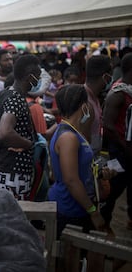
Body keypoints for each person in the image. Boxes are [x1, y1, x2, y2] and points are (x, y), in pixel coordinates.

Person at [48, 84, 109, 237]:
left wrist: (100, 172)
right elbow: (71, 180)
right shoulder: (68, 137)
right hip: (69, 208)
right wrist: (93, 212)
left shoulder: (75, 132)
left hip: (77, 206)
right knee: (71, 257)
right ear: (84, 106)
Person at [0, 54, 39, 200]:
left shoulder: (7, 92)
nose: (38, 80)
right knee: (15, 216)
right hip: (15, 172)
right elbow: (5, 131)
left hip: (8, 168)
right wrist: (28, 144)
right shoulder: (16, 99)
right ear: (29, 77)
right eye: (37, 76)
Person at [101, 52, 132, 229]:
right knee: (112, 188)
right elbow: (108, 126)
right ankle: (103, 223)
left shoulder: (128, 89)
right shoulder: (118, 93)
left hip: (127, 149)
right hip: (118, 151)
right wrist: (124, 145)